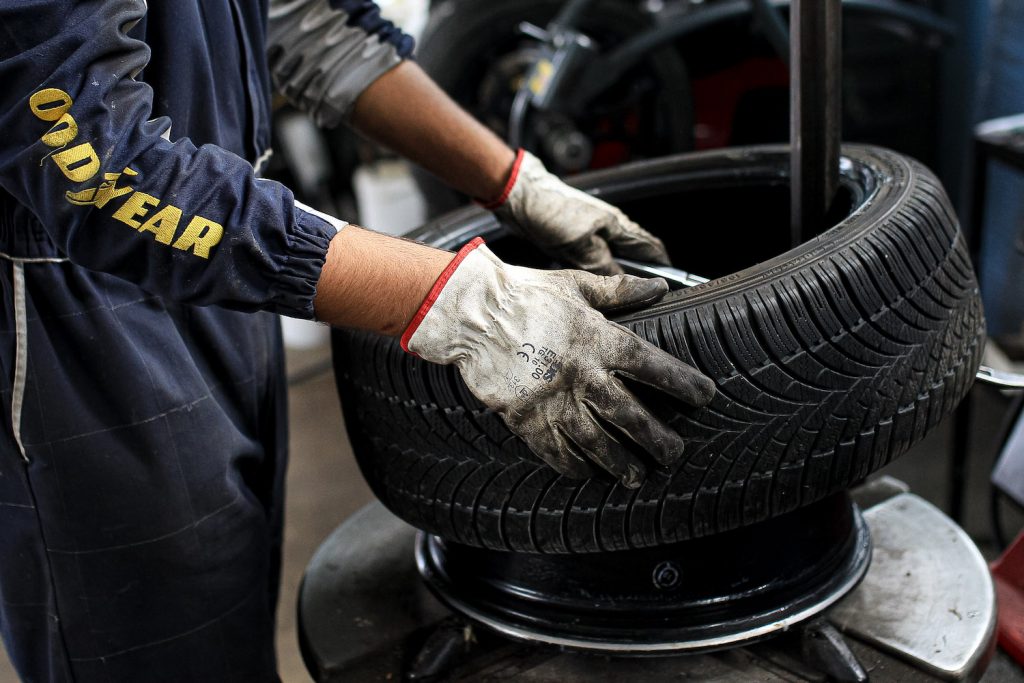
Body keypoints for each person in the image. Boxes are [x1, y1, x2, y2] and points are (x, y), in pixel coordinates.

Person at [0, 1, 713, 680]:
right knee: (164, 651)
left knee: (225, 619)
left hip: (211, 255)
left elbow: (307, 20)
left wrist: (516, 182)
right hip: (73, 302)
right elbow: (89, 159)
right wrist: (457, 304)